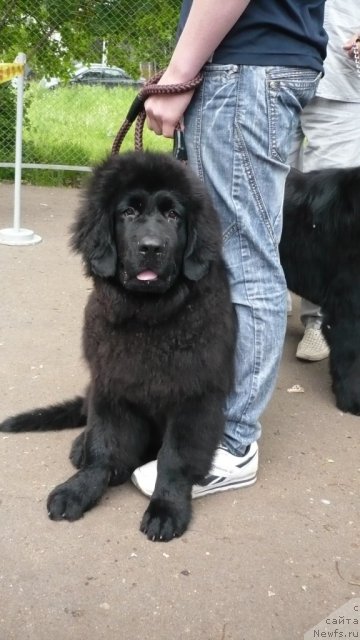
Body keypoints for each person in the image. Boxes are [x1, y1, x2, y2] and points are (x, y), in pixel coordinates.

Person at [131, 0, 327, 497]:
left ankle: (231, 445)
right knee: (236, 257)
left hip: (245, 71)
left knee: (244, 262)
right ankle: (207, 420)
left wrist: (178, 74)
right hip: (261, 67)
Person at [288, 0, 360, 362]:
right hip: (274, 66)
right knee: (264, 194)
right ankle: (265, 292)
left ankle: (318, 320)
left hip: (343, 76)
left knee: (328, 216)